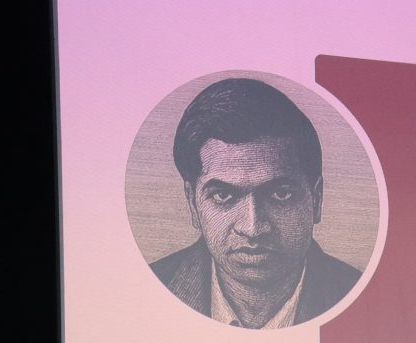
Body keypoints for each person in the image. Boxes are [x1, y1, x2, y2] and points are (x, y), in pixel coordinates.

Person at [150, 77, 361, 328]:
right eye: (223, 196)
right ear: (193, 204)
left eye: (281, 195)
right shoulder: (148, 290)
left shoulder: (363, 297)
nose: (253, 228)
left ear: (316, 199)